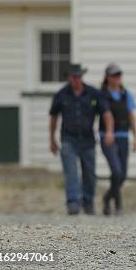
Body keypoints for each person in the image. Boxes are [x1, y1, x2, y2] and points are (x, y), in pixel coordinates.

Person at [49, 63, 114, 215]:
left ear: (82, 77)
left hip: (88, 139)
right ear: (70, 78)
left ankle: (88, 201)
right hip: (68, 139)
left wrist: (109, 131)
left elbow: (106, 113)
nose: (76, 80)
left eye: (78, 77)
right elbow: (53, 117)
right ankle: (73, 202)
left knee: (90, 173)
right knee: (71, 171)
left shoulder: (93, 93)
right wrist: (52, 139)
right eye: (73, 77)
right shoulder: (61, 94)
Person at [99, 63, 136, 216]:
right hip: (107, 137)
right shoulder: (102, 95)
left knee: (122, 174)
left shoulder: (126, 94)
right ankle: (118, 204)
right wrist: (108, 132)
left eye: (119, 75)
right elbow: (104, 114)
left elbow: (131, 117)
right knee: (116, 171)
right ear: (108, 78)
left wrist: (135, 137)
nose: (117, 78)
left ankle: (107, 197)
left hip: (123, 136)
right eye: (114, 75)